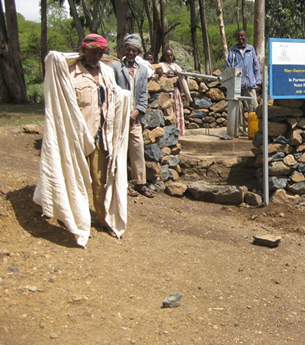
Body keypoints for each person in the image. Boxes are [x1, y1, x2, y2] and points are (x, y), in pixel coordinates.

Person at [34, 34, 131, 247]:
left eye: (99, 52)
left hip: (100, 137)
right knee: (73, 176)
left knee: (99, 181)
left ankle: (103, 218)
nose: (96, 56)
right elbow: (59, 100)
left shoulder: (106, 72)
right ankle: (72, 215)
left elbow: (113, 98)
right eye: (92, 51)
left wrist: (125, 98)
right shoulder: (68, 73)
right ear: (83, 50)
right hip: (76, 138)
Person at [111, 34, 156, 198]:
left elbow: (143, 93)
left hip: (134, 118)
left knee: (137, 149)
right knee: (119, 151)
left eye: (134, 50)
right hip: (119, 116)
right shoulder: (115, 67)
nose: (131, 53)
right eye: (128, 49)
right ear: (124, 50)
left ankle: (140, 183)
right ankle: (121, 184)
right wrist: (122, 112)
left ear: (138, 52)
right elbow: (112, 90)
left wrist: (138, 110)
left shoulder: (142, 69)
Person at [225, 29, 262, 135]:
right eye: (238, 36)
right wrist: (230, 83)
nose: (240, 38)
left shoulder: (251, 50)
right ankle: (240, 130)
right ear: (236, 38)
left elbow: (256, 67)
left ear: (246, 36)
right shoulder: (232, 51)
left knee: (254, 107)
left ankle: (255, 130)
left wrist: (258, 82)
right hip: (236, 84)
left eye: (242, 36)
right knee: (238, 108)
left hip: (250, 84)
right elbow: (228, 68)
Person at [159, 48, 192, 136]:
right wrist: (167, 75)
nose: (169, 57)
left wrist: (180, 74)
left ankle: (179, 132)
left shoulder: (176, 66)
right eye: (167, 55)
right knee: (168, 112)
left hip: (176, 91)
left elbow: (183, 76)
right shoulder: (161, 65)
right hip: (167, 93)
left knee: (177, 111)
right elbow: (159, 76)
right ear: (164, 56)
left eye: (171, 55)